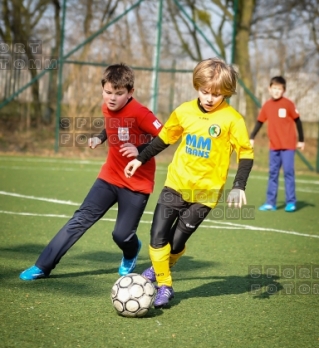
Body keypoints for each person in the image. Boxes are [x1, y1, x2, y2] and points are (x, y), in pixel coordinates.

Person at [124, 57, 254, 308]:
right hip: (176, 184)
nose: (209, 98)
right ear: (197, 86)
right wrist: (140, 159)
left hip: (206, 194)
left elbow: (245, 153)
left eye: (216, 94)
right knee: (157, 236)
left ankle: (158, 269)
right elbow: (164, 138)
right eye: (205, 91)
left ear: (226, 93)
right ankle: (165, 285)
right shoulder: (183, 111)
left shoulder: (232, 119)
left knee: (178, 241)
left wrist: (239, 185)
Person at [20, 63, 163, 281]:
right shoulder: (107, 106)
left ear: (130, 92)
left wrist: (140, 151)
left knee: (122, 235)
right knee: (80, 219)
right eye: (107, 92)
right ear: (103, 89)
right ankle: (42, 265)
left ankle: (131, 250)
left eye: (118, 93)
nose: (112, 98)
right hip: (109, 177)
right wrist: (100, 137)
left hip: (136, 183)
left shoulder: (141, 113)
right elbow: (112, 124)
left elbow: (166, 136)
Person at [250, 76, 305, 212]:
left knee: (288, 172)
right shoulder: (267, 105)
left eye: (279, 89)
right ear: (269, 89)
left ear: (283, 90)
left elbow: (298, 121)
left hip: (288, 146)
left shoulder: (288, 104)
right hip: (274, 146)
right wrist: (252, 137)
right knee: (273, 173)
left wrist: (301, 140)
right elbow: (259, 122)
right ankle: (270, 202)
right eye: (274, 88)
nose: (276, 91)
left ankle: (291, 202)